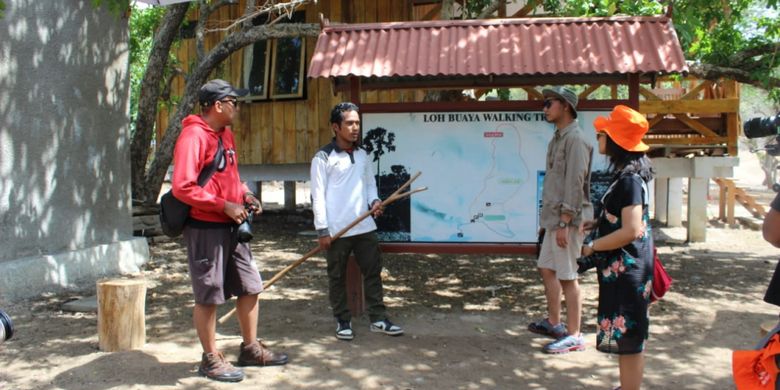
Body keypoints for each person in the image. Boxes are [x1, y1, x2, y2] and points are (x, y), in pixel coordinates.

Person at [172, 79, 288, 382]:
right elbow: (182, 187)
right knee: (209, 293)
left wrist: (246, 195)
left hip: (233, 225)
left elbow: (231, 176)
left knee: (250, 285)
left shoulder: (226, 135)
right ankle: (210, 359)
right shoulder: (193, 136)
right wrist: (224, 205)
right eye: (234, 102)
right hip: (206, 225)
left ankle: (250, 348)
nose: (238, 107)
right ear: (218, 105)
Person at [310, 102, 404, 341]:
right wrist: (322, 230)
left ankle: (378, 319)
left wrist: (374, 202)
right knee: (337, 276)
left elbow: (369, 184)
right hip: (337, 230)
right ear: (335, 127)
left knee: (373, 272)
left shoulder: (363, 155)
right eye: (349, 123)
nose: (355, 128)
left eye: (357, 123)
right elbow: (317, 197)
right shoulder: (322, 158)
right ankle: (343, 320)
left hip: (364, 227)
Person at [579, 105, 655, 390]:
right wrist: (598, 222)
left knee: (629, 337)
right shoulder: (629, 176)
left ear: (615, 140)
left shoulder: (630, 180)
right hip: (624, 268)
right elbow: (622, 218)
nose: (598, 137)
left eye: (602, 133)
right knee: (627, 335)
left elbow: (631, 229)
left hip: (627, 270)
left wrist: (593, 246)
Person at [528, 86, 593, 354]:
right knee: (547, 268)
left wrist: (566, 221)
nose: (544, 108)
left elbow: (575, 182)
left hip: (568, 220)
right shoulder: (558, 138)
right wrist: (548, 220)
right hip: (554, 219)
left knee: (568, 276)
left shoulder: (575, 139)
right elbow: (555, 182)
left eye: (548, 103)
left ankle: (575, 335)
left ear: (565, 105)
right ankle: (555, 322)